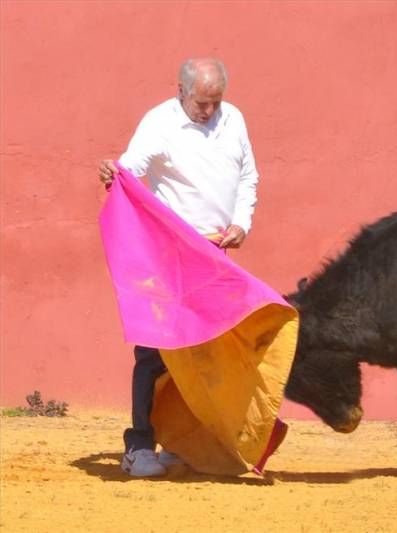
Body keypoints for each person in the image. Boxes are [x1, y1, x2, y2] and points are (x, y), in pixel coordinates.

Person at [98, 57, 260, 477]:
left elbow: (248, 176)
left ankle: (185, 441)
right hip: (169, 252)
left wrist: (242, 221)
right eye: (201, 102)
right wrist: (112, 175)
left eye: (215, 101)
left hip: (213, 255)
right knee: (157, 349)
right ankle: (138, 446)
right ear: (181, 91)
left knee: (204, 350)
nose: (208, 111)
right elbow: (129, 171)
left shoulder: (234, 119)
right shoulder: (160, 123)